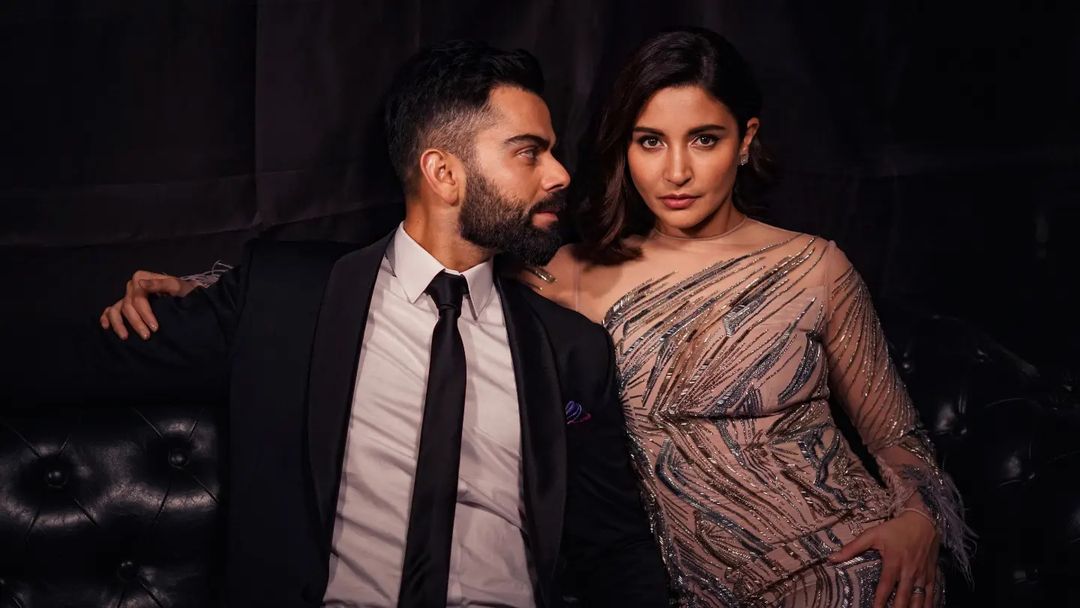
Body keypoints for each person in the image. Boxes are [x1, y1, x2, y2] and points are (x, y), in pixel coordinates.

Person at [101, 29, 975, 608]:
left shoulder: (811, 268)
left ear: (745, 142)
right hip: (703, 583)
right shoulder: (567, 274)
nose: (676, 171)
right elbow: (410, 260)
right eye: (649, 141)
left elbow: (898, 438)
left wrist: (917, 519)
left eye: (704, 140)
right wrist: (216, 288)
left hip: (845, 562)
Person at [6, 40, 669, 608]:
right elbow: (64, 361)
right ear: (443, 172)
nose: (560, 174)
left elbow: (613, 547)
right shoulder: (282, 300)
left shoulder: (569, 350)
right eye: (529, 152)